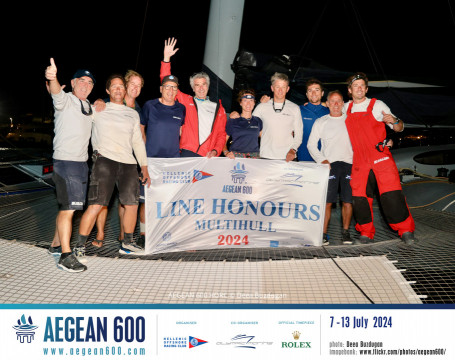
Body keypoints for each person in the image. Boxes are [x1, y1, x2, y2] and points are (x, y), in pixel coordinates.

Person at [74, 74, 151, 260]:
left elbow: (137, 142)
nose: (118, 89)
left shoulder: (133, 114)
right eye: (114, 87)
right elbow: (78, 119)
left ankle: (127, 243)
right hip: (104, 161)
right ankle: (79, 246)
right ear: (108, 91)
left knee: (131, 204)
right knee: (96, 204)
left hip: (128, 164)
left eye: (121, 87)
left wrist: (144, 166)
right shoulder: (98, 108)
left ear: (125, 91)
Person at [344, 72, 416, 245]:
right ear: (349, 90)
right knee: (360, 198)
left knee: (391, 194)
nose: (359, 88)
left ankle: (405, 230)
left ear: (366, 89)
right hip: (359, 160)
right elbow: (327, 111)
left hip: (380, 157)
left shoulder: (377, 105)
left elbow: (399, 128)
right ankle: (365, 234)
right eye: (356, 86)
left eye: (362, 85)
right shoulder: (345, 108)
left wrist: (395, 120)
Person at [45, 58, 95, 272]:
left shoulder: (90, 106)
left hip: (81, 163)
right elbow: (56, 92)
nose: (85, 85)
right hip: (65, 162)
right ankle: (66, 256)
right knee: (68, 208)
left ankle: (56, 245)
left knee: (68, 206)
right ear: (73, 83)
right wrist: (53, 78)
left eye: (90, 83)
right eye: (81, 81)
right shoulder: (65, 100)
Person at [92, 70, 145, 248]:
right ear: (125, 86)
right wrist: (99, 101)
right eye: (133, 85)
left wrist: (144, 163)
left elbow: (140, 139)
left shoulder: (138, 110)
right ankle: (100, 234)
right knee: (103, 200)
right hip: (107, 159)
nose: (135, 88)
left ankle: (125, 238)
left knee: (127, 202)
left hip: (128, 161)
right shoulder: (107, 104)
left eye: (139, 86)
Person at [161, 37, 227, 158]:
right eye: (197, 85)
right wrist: (166, 59)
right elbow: (167, 83)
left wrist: (216, 151)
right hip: (187, 152)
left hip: (208, 156)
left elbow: (221, 134)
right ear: (193, 88)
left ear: (208, 86)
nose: (201, 88)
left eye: (204, 84)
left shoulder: (219, 108)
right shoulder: (186, 101)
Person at [139, 75, 185, 242]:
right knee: (146, 199)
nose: (170, 90)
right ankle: (143, 234)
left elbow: (180, 132)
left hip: (172, 163)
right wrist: (145, 151)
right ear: (161, 88)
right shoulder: (150, 105)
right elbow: (141, 128)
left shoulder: (181, 109)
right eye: (167, 87)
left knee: (168, 200)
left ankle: (165, 232)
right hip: (150, 162)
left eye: (174, 87)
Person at [307, 90, 353, 245]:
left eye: (339, 101)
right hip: (329, 165)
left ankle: (346, 233)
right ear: (327, 103)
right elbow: (311, 145)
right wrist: (322, 160)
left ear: (343, 103)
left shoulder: (351, 120)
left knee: (347, 201)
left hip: (349, 164)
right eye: (332, 101)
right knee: (327, 202)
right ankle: (323, 233)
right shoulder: (321, 121)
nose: (335, 104)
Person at [251, 72, 303, 161]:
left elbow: (299, 135)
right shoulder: (262, 106)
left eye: (283, 87)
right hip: (266, 156)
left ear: (288, 89)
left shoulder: (295, 108)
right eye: (277, 87)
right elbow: (250, 126)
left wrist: (293, 150)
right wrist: (263, 134)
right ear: (272, 88)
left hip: (288, 157)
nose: (280, 90)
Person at [223, 89, 262, 159]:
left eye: (251, 101)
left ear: (254, 103)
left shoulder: (258, 121)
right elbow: (223, 141)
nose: (248, 104)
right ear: (240, 103)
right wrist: (226, 153)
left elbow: (265, 139)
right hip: (236, 156)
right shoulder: (233, 121)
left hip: (254, 157)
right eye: (245, 100)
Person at [297, 78, 330, 162]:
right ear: (306, 94)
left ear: (322, 93)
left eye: (317, 90)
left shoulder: (329, 112)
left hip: (325, 159)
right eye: (310, 90)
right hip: (303, 158)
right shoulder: (298, 110)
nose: (314, 93)